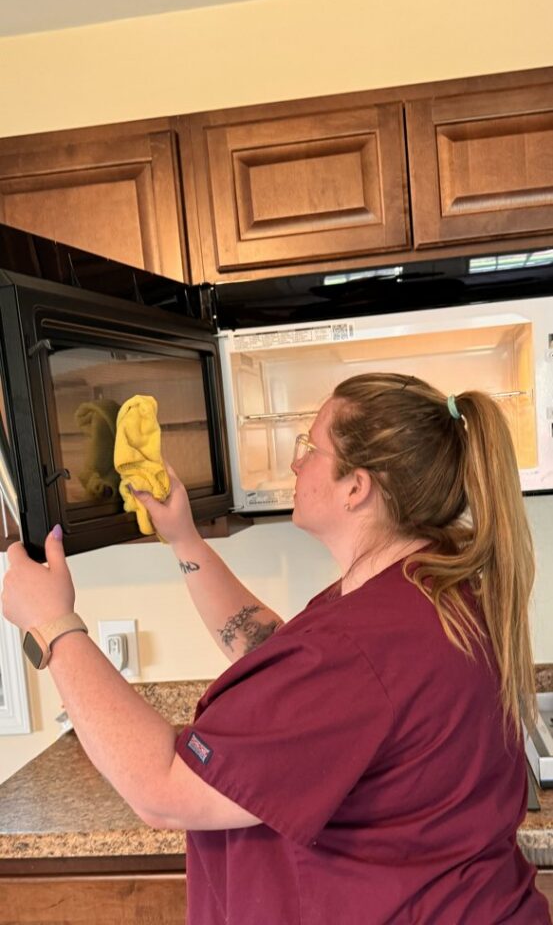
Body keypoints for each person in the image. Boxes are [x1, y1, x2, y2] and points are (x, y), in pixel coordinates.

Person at [2, 372, 551, 925]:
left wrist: (52, 625)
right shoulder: (427, 585)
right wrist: (184, 538)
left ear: (355, 486)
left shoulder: (360, 648)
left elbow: (162, 790)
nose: (296, 463)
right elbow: (275, 650)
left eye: (310, 447)